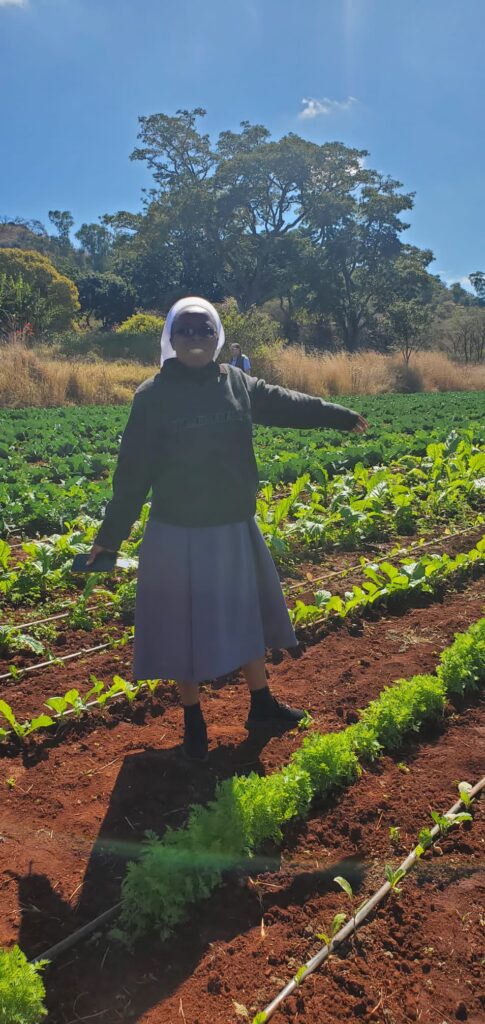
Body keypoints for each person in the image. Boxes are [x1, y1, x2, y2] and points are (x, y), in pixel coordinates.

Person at [88, 296, 368, 762]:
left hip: (232, 526)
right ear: (171, 339)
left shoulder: (237, 382)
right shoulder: (152, 396)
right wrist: (110, 537)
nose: (196, 339)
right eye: (186, 331)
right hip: (177, 531)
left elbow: (287, 404)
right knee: (183, 627)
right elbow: (132, 475)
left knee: (246, 615)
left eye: (205, 330)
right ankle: (193, 723)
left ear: (217, 336)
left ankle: (261, 705)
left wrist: (336, 414)